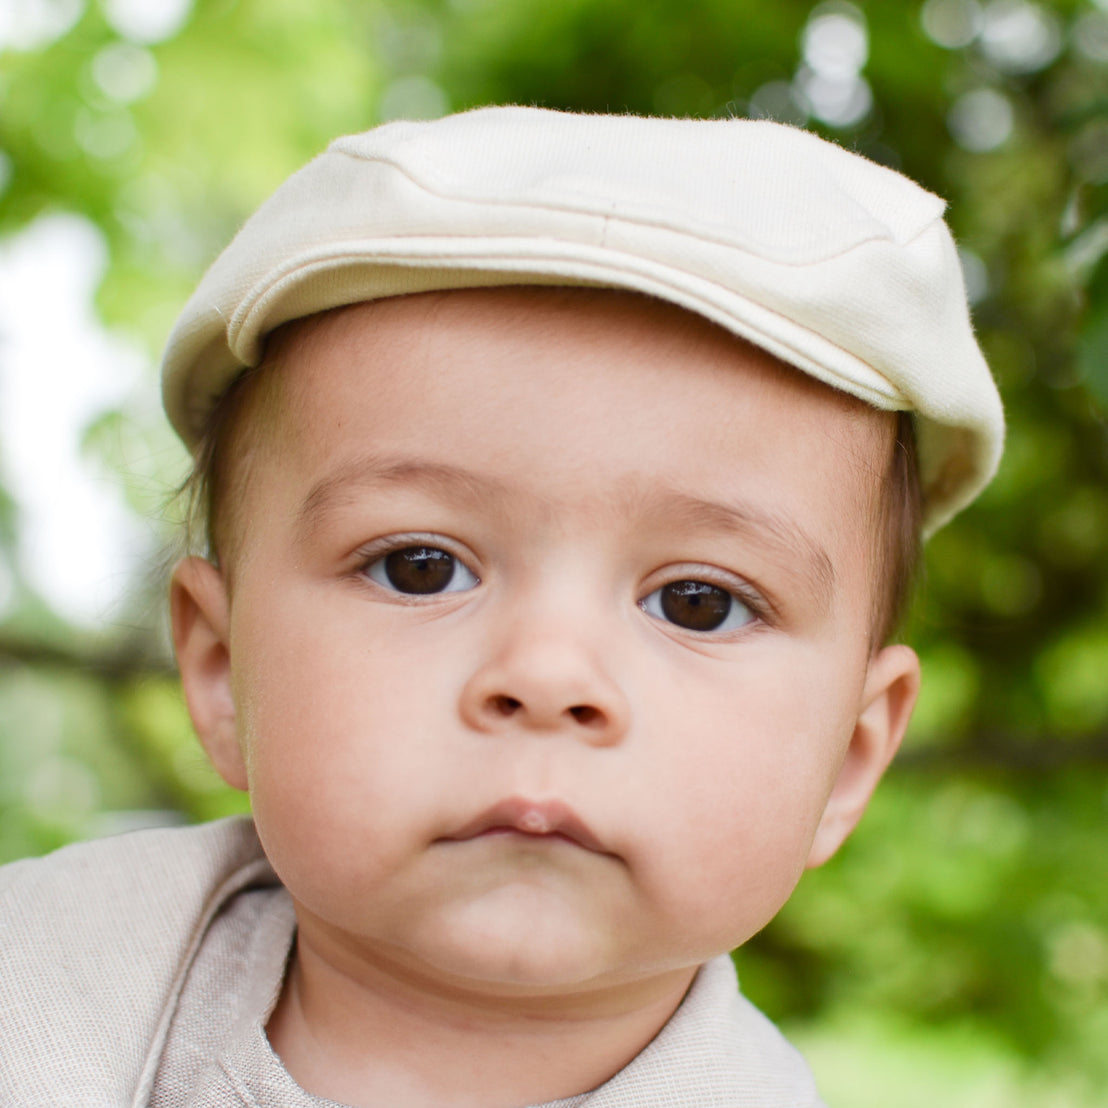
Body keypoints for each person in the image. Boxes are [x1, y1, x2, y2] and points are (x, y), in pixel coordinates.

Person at [0, 106, 1003, 1108]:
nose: (546, 675)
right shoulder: (50, 976)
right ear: (222, 672)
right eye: (421, 568)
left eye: (697, 603)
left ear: (849, 755)